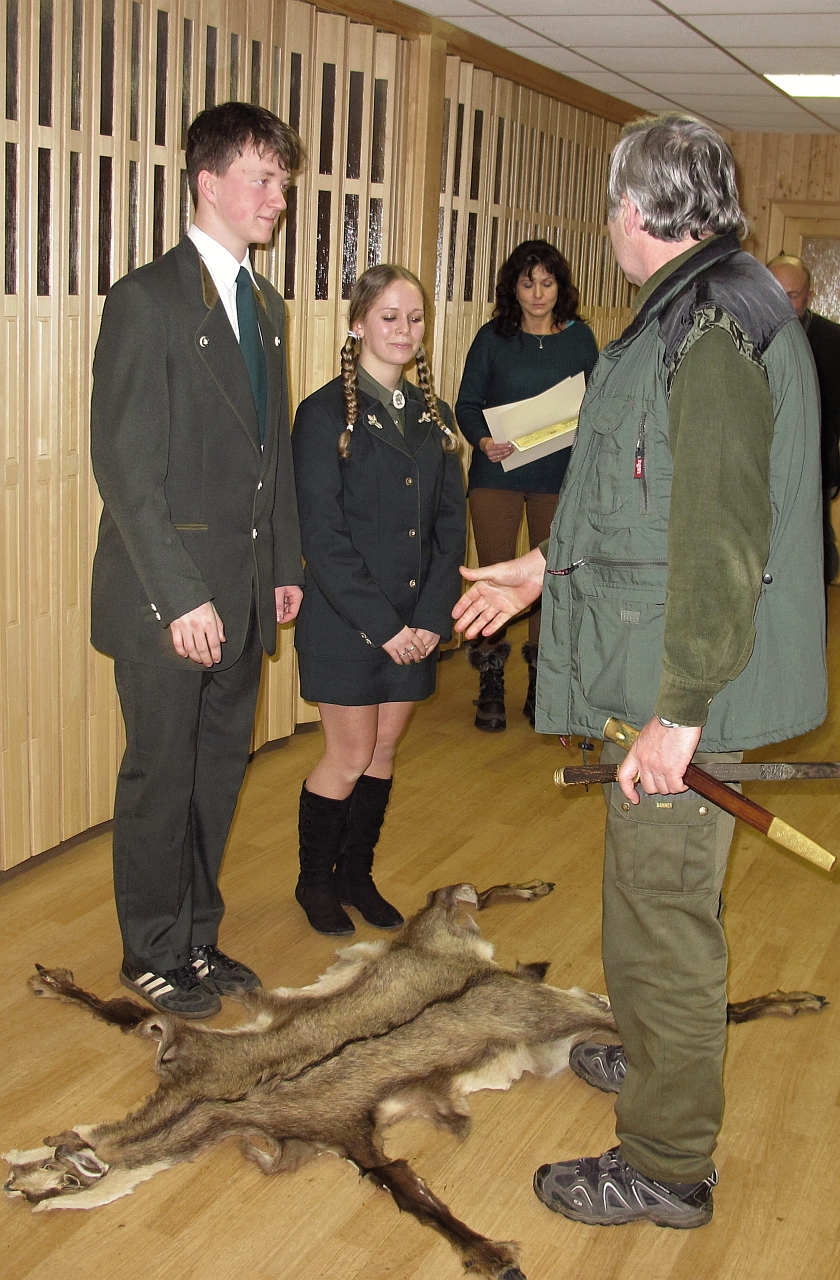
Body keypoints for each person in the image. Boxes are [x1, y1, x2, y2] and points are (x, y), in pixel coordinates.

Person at [454, 114, 826, 1228]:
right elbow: (641, 499)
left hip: (682, 683)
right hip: (661, 667)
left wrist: (681, 712)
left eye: (610, 203)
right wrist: (537, 568)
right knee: (646, 903)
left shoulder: (711, 328)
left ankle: (666, 1161)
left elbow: (720, 540)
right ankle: (660, 1054)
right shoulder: (695, 307)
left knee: (662, 919)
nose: (607, 222)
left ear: (633, 209)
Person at [90, 103, 304, 1019]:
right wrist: (180, 598)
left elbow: (272, 451)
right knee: (161, 778)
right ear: (208, 182)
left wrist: (283, 563)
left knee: (216, 773)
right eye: (264, 178)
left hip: (242, 591)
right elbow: (124, 470)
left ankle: (196, 936)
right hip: (166, 598)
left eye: (282, 181)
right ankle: (150, 948)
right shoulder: (146, 301)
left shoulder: (266, 304)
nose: (278, 197)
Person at [291, 265, 466, 936]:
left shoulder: (434, 416)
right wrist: (385, 627)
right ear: (358, 323)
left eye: (414, 318)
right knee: (348, 755)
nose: (404, 330)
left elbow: (450, 527)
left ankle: (355, 875)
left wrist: (431, 619)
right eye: (389, 317)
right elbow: (323, 538)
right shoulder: (322, 415)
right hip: (348, 622)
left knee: (383, 751)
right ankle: (314, 883)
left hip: (414, 623)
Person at [455, 241, 598, 732]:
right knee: (494, 574)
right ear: (512, 288)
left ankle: (543, 682)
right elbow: (467, 404)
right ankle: (490, 681)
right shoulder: (492, 337)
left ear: (561, 287)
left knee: (551, 577)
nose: (538, 293)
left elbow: (597, 403)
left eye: (547, 283)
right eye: (527, 283)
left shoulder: (580, 339)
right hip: (497, 473)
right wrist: (483, 440)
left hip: (559, 476)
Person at [767, 253, 840, 584]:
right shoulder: (742, 333)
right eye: (774, 292)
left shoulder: (836, 341)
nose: (782, 303)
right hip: (761, 469)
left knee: (815, 563)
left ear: (809, 296)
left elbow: (839, 407)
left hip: (815, 465)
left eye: (792, 295)